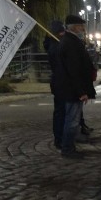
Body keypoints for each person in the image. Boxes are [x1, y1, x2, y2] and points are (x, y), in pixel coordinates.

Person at [51, 14, 96, 158]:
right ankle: (67, 149)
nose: (83, 28)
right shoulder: (70, 43)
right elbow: (73, 70)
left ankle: (68, 147)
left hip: (70, 88)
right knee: (72, 120)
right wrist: (81, 91)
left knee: (72, 119)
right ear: (74, 27)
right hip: (72, 90)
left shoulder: (69, 41)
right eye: (80, 25)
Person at [45, 19, 66, 149]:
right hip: (60, 83)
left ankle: (59, 137)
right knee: (60, 112)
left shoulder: (53, 44)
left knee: (59, 111)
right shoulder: (55, 47)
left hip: (57, 82)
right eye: (62, 31)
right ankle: (59, 138)